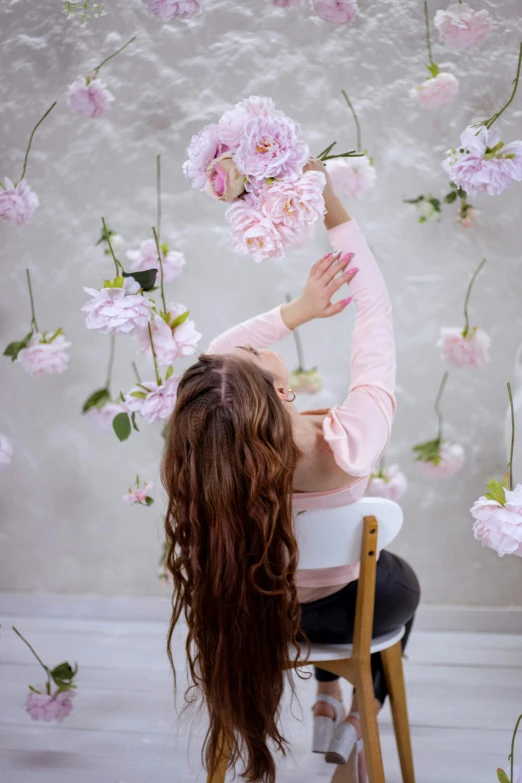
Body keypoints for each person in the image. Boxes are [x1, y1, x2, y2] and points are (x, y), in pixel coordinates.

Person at [161, 158, 420, 783]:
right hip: (344, 613)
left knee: (342, 569)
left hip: (258, 609)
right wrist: (328, 201)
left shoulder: (216, 448)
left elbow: (214, 365)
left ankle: (332, 701)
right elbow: (376, 314)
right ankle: (358, 711)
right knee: (392, 580)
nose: (248, 349)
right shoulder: (351, 440)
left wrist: (296, 311)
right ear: (279, 396)